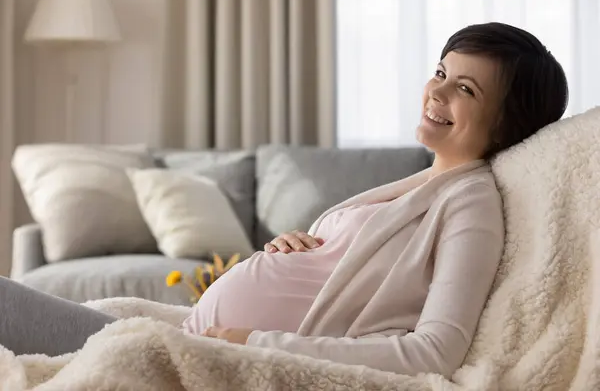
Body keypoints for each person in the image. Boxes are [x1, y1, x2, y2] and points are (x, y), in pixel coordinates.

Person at [0, 22, 568, 378]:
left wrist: (253, 341)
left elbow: (434, 351)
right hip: (196, 333)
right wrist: (289, 249)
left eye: (465, 89)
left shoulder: (470, 205)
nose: (436, 91)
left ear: (507, 122)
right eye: (440, 72)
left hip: (212, 356)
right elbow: (344, 273)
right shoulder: (424, 184)